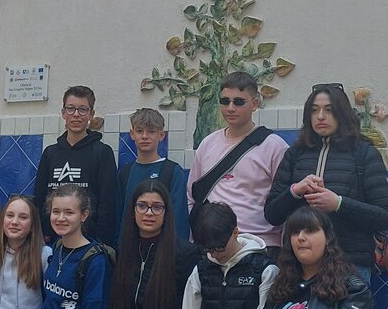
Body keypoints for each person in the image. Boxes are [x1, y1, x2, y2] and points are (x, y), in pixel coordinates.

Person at [264, 84, 388, 276]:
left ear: (342, 114)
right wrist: (295, 191)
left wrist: (338, 203)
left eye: (329, 110)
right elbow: (271, 215)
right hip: (299, 266)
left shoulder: (364, 153)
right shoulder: (295, 154)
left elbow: (385, 217)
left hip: (350, 265)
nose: (321, 116)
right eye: (314, 110)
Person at [187, 72, 289, 253]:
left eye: (239, 102)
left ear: (255, 104)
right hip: (212, 245)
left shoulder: (275, 147)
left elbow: (284, 203)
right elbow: (193, 196)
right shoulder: (207, 144)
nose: (230, 108)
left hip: (259, 244)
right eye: (225, 101)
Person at [106, 180, 201, 309]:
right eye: (142, 206)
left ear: (166, 213)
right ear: (133, 210)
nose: (149, 213)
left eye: (157, 207)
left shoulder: (185, 254)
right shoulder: (121, 250)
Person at [34, 85, 119, 245]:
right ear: (63, 113)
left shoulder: (102, 152)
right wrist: (42, 237)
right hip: (52, 242)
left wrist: (101, 244)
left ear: (91, 114)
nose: (76, 115)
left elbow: (107, 204)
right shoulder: (50, 153)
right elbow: (39, 199)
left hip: (89, 243)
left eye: (83, 109)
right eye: (71, 109)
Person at [117, 108, 189, 243]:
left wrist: (178, 254)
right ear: (132, 134)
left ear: (161, 135)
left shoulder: (172, 171)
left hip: (163, 250)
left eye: (151, 131)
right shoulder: (125, 172)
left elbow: (179, 219)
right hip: (130, 249)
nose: (145, 136)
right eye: (139, 131)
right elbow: (120, 217)